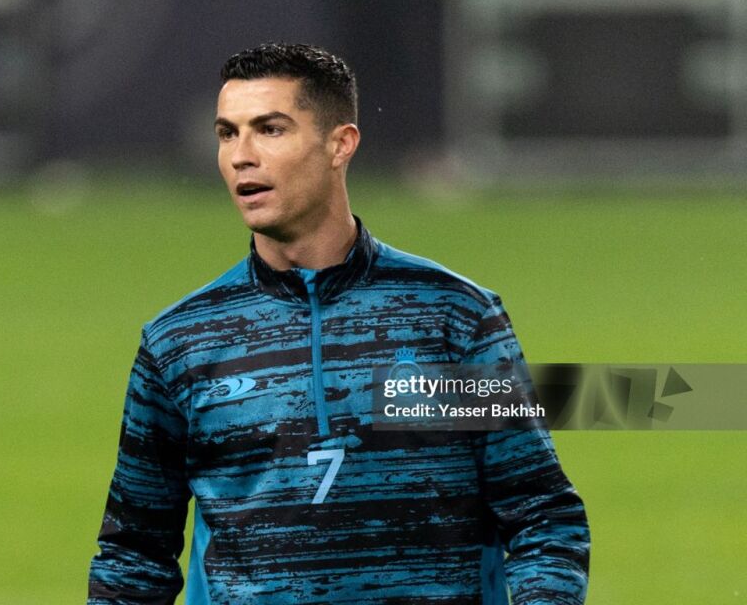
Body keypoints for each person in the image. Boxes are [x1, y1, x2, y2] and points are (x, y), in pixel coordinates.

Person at [88, 42, 590, 605]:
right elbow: (134, 556)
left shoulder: (453, 317)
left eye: (270, 129)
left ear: (340, 144)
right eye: (227, 134)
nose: (241, 156)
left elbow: (541, 516)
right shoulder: (181, 342)